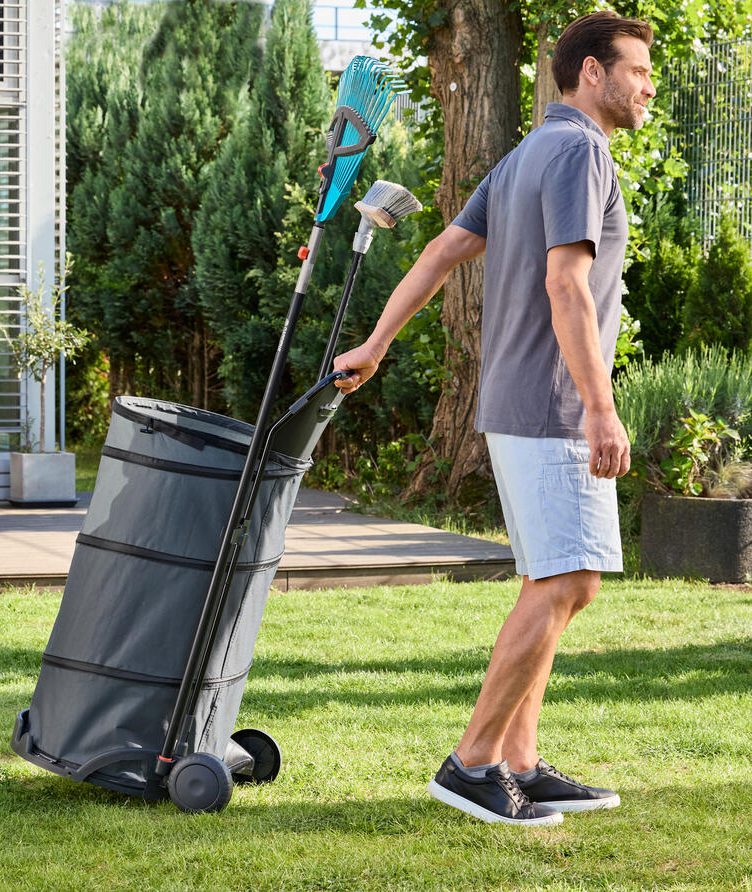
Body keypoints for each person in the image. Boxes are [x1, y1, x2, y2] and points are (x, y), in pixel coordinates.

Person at [332, 10, 656, 826]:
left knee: (554, 580)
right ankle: (472, 763)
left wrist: (374, 345)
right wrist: (602, 408)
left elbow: (443, 250)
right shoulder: (579, 151)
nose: (649, 87)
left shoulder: (525, 155)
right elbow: (565, 285)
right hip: (552, 403)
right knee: (569, 581)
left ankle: (520, 761)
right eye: (638, 70)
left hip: (513, 403)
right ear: (592, 72)